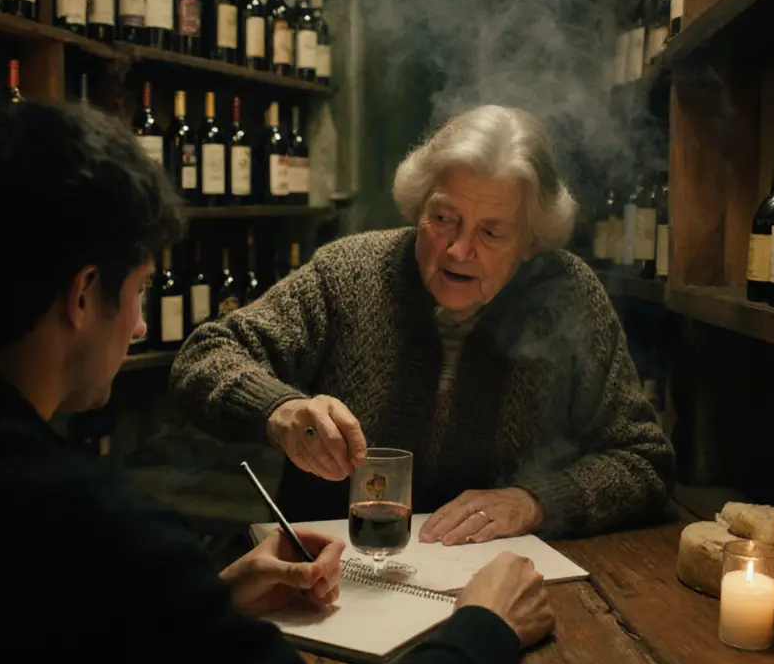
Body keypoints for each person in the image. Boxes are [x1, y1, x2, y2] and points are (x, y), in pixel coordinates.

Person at [0, 102, 555, 664]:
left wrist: (204, 604)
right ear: (83, 297)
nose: (143, 322)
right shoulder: (92, 532)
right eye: (141, 289)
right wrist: (479, 627)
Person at [170, 105, 675, 545]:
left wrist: (535, 502)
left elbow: (644, 461)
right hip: (334, 575)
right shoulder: (349, 273)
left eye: (492, 231)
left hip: (499, 581)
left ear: (530, 243)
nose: (458, 250)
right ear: (418, 207)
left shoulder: (568, 297)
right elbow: (203, 357)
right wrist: (280, 410)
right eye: (443, 219)